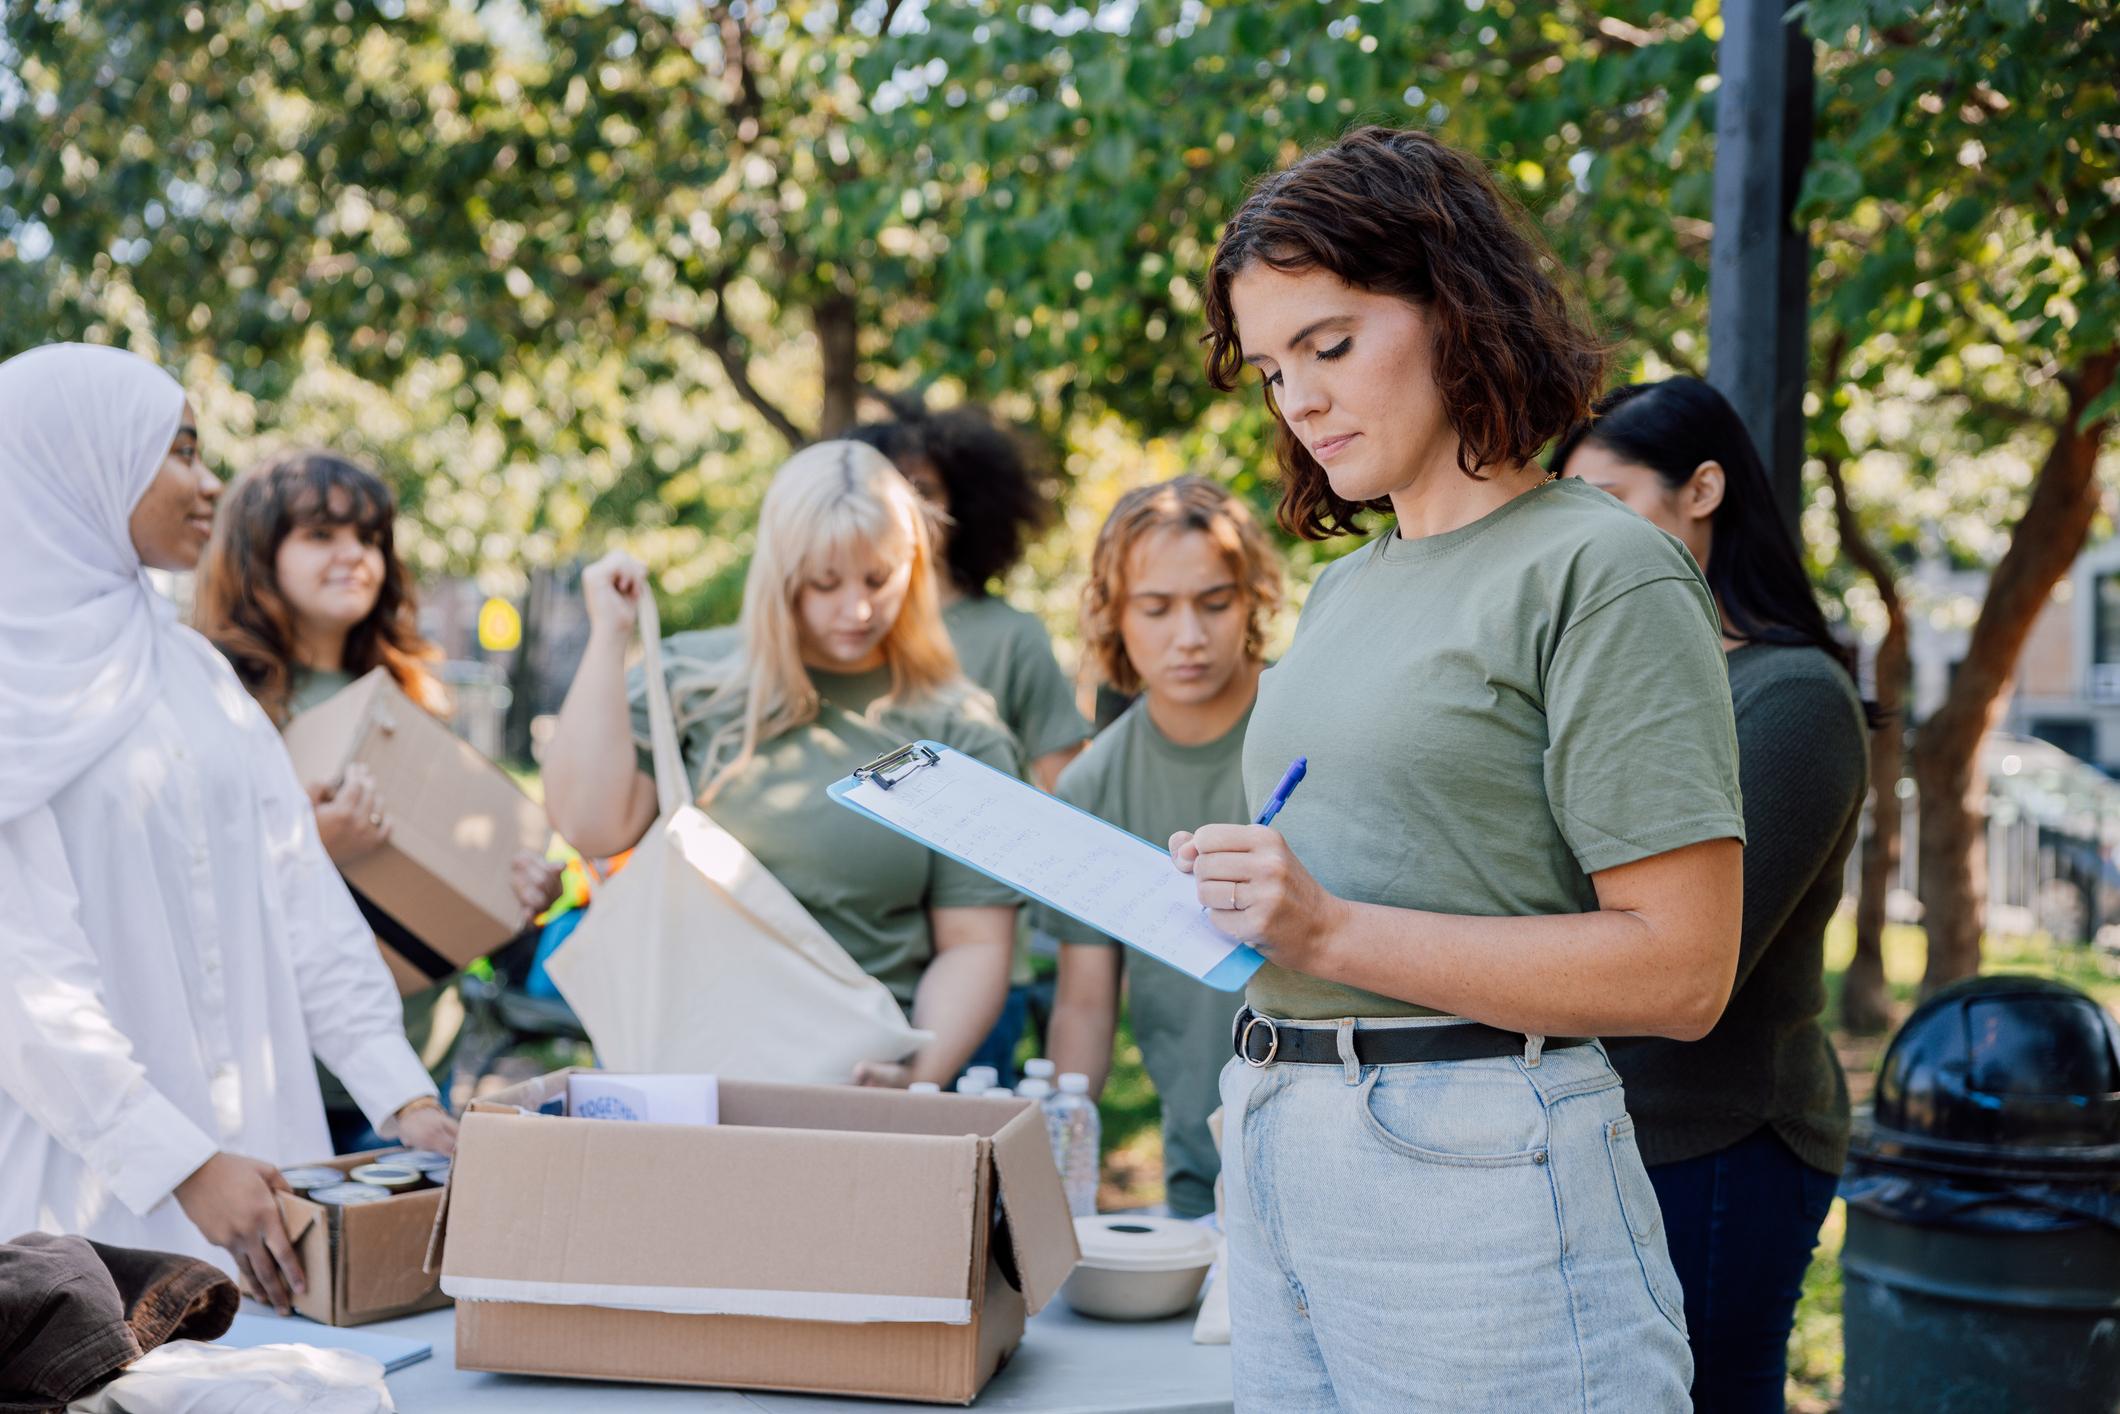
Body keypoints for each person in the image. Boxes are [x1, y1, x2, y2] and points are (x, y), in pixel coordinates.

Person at [1182, 127, 1747, 1408]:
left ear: (1457, 309)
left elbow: (1680, 966)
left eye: (1327, 346)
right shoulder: (1338, 594)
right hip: (1278, 1136)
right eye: (1271, 370)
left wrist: (1324, 926)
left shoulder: (1598, 570)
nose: (1299, 400)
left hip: (1477, 1166)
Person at [0, 344, 454, 1314]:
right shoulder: (12, 692)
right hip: (83, 1199)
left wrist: (403, 1097)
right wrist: (180, 1161)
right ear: (77, 462)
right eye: (177, 453)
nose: (207, 484)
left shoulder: (196, 675)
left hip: (261, 1184)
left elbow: (302, 902)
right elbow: (25, 988)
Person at [1553, 377, 1867, 1413]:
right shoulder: (1625, 678)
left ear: (1702, 488)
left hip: (1724, 1138)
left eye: (1608, 501)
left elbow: (1691, 960)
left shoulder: (1788, 697)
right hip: (1608, 1125)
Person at [542, 440, 1019, 1087]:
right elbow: (590, 825)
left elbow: (975, 941)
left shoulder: (959, 728)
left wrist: (917, 1079)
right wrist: (608, 634)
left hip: (860, 1092)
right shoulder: (690, 682)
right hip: (680, 1082)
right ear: (779, 571)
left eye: (878, 579)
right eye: (824, 583)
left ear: (915, 566)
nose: (854, 609)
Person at [193, 448, 562, 1151]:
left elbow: (455, 860)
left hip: (420, 1063)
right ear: (255, 551)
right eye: (321, 534)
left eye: (369, 538)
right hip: (282, 1077)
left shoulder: (413, 696)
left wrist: (516, 889)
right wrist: (313, 850)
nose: (355, 555)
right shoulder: (218, 697)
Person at [1041, 477, 1282, 1220]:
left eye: (1214, 603)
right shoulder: (1091, 785)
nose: (1189, 636)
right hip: (1199, 1175)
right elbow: (1085, 1003)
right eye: (1156, 608)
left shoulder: (1309, 723)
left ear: (1250, 599)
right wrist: (1049, 1177)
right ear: (1113, 614)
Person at [852, 405, 1091, 1081]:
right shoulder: (840, 633)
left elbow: (1068, 798)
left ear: (963, 502)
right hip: (858, 965)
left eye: (924, 489)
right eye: (885, 488)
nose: (905, 507)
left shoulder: (1012, 637)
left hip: (986, 965)